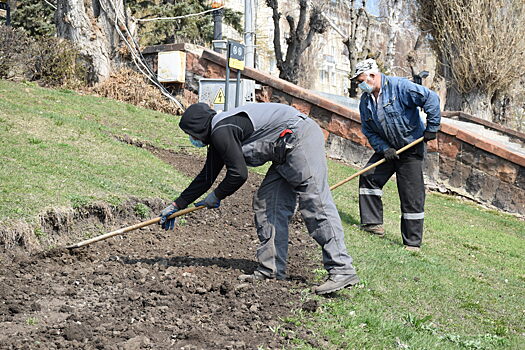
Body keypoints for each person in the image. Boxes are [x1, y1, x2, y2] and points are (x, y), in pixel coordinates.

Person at [158, 102, 359, 294]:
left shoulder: (221, 129)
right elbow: (207, 176)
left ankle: (342, 269)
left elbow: (239, 174)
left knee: (315, 202)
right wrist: (177, 204)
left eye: (190, 134)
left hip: (298, 138)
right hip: (283, 150)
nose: (192, 139)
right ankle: (271, 269)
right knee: (268, 203)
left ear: (198, 128)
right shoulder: (220, 133)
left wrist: (217, 196)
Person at [352, 58, 441, 251]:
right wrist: (384, 149)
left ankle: (412, 243)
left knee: (411, 194)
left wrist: (432, 127)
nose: (360, 86)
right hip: (389, 150)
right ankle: (372, 224)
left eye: (361, 81)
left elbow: (431, 98)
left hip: (411, 147)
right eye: (358, 83)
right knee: (369, 176)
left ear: (373, 76)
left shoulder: (400, 87)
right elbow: (369, 130)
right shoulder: (366, 102)